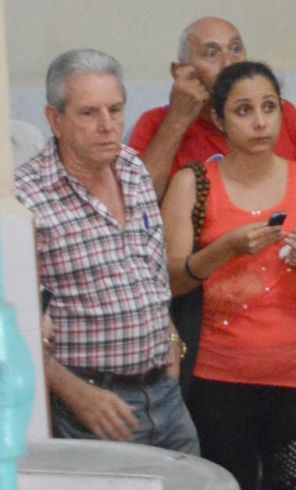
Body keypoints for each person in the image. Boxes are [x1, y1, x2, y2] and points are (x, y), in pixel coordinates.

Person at [129, 15, 296, 490]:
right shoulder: (177, 155)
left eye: (268, 107)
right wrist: (223, 250)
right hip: (216, 359)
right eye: (243, 110)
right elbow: (157, 247)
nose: (260, 121)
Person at [15, 49, 198, 457]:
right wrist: (73, 391)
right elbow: (12, 325)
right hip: (93, 406)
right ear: (54, 119)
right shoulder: (26, 198)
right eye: (88, 113)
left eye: (115, 110)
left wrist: (167, 334)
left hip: (164, 393)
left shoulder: (133, 169)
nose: (107, 126)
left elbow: (147, 266)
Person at [129, 16, 296, 199]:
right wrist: (177, 120)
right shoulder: (154, 122)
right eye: (211, 53)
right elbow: (138, 205)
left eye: (236, 48)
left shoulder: (279, 112)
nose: (229, 63)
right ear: (180, 71)